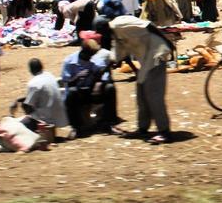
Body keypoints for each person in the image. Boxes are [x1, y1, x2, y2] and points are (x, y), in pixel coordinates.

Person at [110, 14, 175, 143]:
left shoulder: (119, 24)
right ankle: (143, 128)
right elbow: (118, 55)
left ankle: (164, 131)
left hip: (157, 51)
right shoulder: (115, 36)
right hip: (146, 59)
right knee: (141, 91)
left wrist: (168, 42)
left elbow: (148, 25)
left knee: (154, 94)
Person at [61, 31, 119, 136]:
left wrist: (99, 83)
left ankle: (108, 123)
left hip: (92, 92)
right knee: (72, 92)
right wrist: (77, 77)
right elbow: (67, 83)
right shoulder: (69, 61)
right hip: (78, 94)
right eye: (89, 55)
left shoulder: (95, 61)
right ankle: (76, 127)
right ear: (83, 52)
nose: (90, 58)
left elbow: (105, 77)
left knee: (109, 88)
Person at [14, 56, 70, 132]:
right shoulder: (49, 75)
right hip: (60, 117)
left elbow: (28, 105)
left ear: (30, 70)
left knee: (21, 122)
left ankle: (34, 129)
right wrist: (18, 99)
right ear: (42, 67)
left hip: (46, 119)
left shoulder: (33, 83)